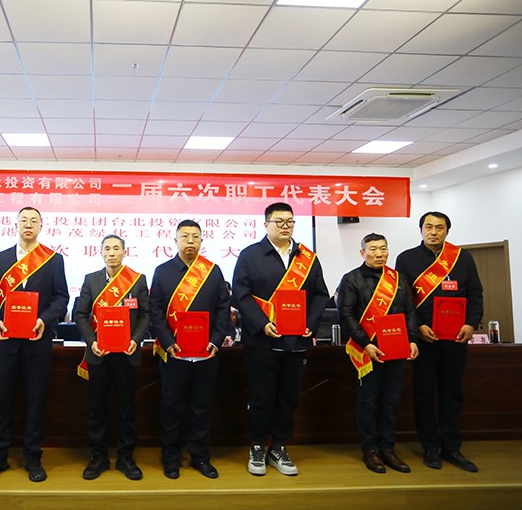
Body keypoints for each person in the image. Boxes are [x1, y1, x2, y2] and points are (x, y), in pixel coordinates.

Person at [232, 202, 328, 476]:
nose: (285, 226)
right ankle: (257, 446)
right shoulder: (250, 255)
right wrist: (262, 323)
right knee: (262, 396)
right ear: (266, 224)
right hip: (262, 341)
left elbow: (320, 294)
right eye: (279, 221)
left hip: (296, 341)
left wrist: (310, 324)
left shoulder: (307, 258)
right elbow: (240, 294)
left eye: (290, 221)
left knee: (289, 397)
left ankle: (279, 447)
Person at [0, 207, 69, 483]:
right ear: (16, 225)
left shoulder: (53, 260)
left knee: (36, 400)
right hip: (6, 341)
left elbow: (61, 298)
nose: (28, 225)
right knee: (2, 399)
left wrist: (44, 319)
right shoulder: (0, 258)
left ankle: (33, 456)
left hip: (37, 342)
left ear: (41, 226)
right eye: (24, 220)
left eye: (34, 221)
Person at [395, 211, 483, 473]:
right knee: (423, 395)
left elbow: (475, 294)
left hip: (456, 339)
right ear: (421, 229)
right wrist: (418, 327)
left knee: (452, 394)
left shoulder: (462, 258)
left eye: (439, 227)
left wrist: (471, 323)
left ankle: (452, 448)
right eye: (429, 227)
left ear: (447, 231)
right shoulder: (407, 259)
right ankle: (430, 448)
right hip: (425, 340)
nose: (433, 232)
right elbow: (403, 300)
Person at [150, 219, 232, 480]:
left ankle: (200, 456)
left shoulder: (213, 271)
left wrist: (215, 340)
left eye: (195, 236)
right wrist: (167, 341)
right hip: (174, 353)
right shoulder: (163, 271)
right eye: (185, 236)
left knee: (202, 407)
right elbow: (155, 311)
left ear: (201, 241)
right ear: (175, 240)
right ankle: (170, 457)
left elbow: (223, 309)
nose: (190, 241)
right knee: (171, 407)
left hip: (206, 353)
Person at [338, 233, 419, 474]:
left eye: (383, 248)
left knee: (390, 402)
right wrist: (366, 344)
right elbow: (346, 315)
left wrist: (412, 339)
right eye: (373, 249)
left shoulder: (398, 278)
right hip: (367, 351)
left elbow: (410, 311)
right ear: (362, 253)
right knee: (369, 402)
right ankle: (370, 450)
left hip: (395, 349)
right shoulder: (351, 279)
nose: (379, 254)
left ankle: (388, 448)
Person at [75, 234, 150, 480]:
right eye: (107, 249)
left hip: (127, 354)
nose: (111, 253)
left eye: (116, 248)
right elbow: (80, 315)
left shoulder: (137, 280)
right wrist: (92, 341)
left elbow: (145, 315)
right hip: (99, 353)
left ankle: (126, 457)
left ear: (124, 252)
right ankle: (98, 456)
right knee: (97, 407)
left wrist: (135, 340)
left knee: (127, 407)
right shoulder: (91, 280)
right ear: (101, 253)